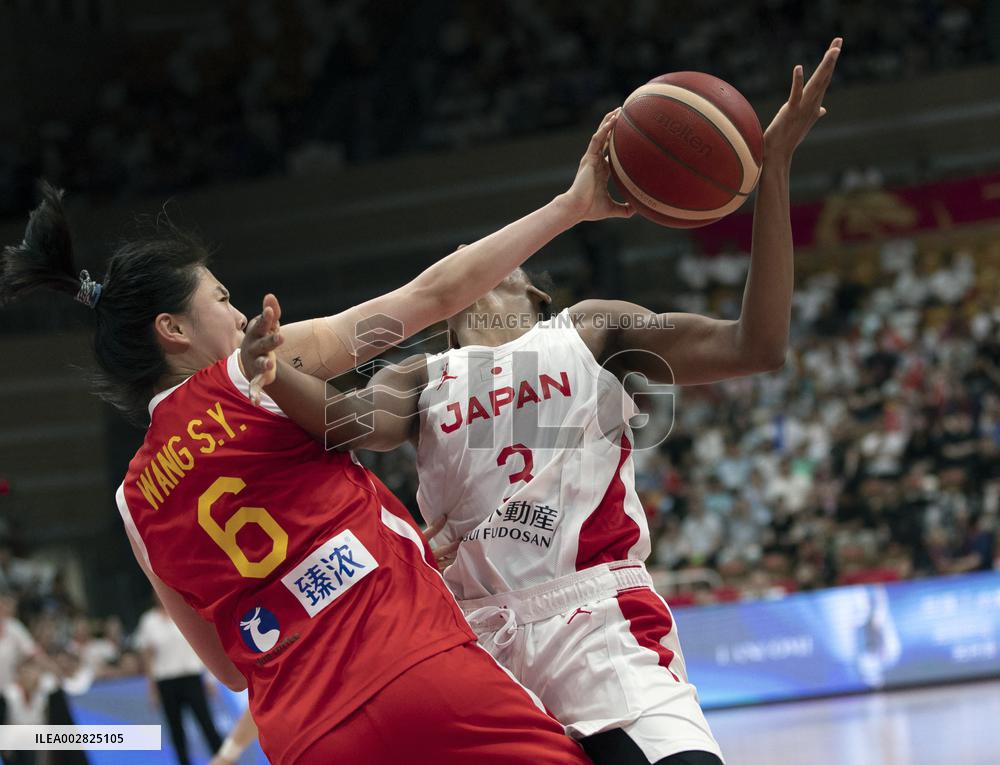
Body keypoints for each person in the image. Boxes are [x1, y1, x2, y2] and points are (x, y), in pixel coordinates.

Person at [0, 110, 629, 764]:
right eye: (221, 297)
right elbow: (433, 295)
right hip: (417, 668)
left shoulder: (132, 501)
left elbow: (231, 669)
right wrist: (570, 206)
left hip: (305, 738)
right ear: (174, 329)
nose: (239, 314)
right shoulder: (252, 371)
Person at [317, 39, 843, 765]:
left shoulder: (588, 330)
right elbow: (332, 422)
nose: (482, 264)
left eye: (502, 260)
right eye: (467, 260)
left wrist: (776, 167)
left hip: (602, 626)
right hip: (479, 654)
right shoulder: (419, 378)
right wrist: (258, 370)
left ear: (535, 293)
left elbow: (756, 346)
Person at [136, 597, 223, 765]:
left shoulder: (186, 611)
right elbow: (148, 657)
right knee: (176, 730)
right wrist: (152, 689)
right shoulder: (149, 621)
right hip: (166, 681)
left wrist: (210, 677)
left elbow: (203, 645)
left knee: (207, 724)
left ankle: (224, 760)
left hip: (191, 677)